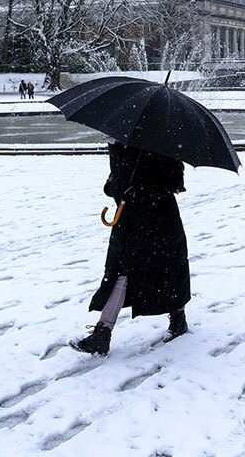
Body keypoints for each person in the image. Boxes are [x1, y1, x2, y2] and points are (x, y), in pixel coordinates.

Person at [71, 141, 190, 355]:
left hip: (160, 221)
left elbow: (175, 181)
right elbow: (116, 180)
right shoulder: (120, 142)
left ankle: (178, 318)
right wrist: (114, 186)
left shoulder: (162, 143)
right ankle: (103, 333)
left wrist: (138, 191)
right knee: (121, 273)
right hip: (130, 221)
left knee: (168, 269)